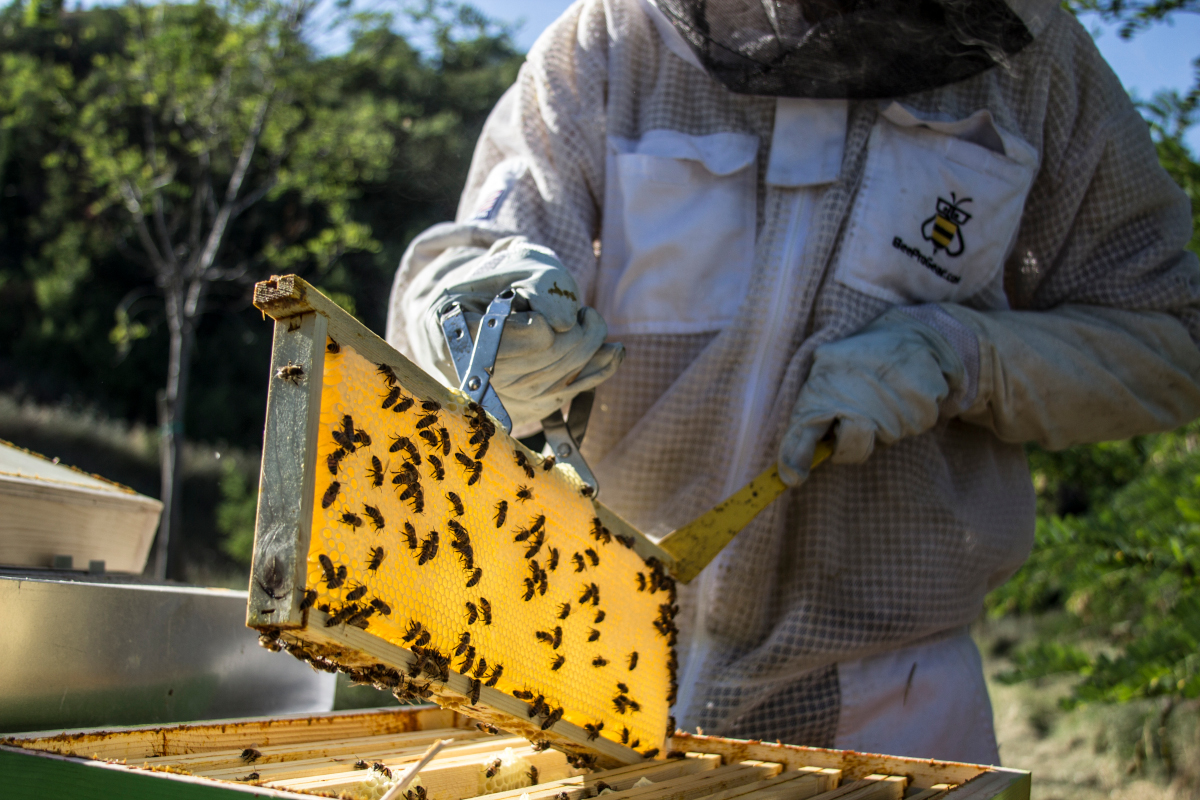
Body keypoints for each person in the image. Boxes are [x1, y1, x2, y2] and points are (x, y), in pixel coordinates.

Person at [387, 0, 1200, 765]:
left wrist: (963, 355)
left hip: (892, 709)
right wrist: (479, 318)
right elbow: (469, 258)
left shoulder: (1037, 61)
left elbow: (1173, 339)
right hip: (580, 663)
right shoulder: (613, 37)